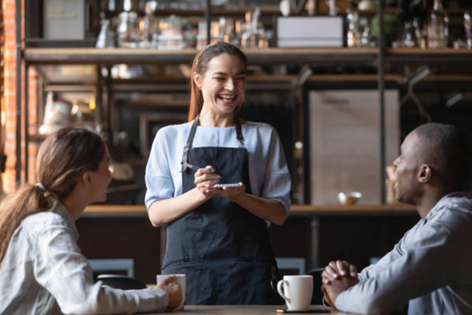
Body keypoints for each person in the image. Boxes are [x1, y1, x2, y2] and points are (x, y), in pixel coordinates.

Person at [145, 42, 291, 305]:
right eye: (221, 78)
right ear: (199, 80)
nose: (232, 88)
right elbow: (156, 215)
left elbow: (279, 213)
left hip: (250, 272)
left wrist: (240, 197)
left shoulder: (263, 135)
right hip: (187, 273)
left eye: (240, 79)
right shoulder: (170, 137)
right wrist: (201, 193)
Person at [0, 127, 182, 315]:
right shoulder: (48, 227)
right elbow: (87, 301)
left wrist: (154, 293)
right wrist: (160, 297)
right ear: (87, 178)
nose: (110, 175)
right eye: (106, 166)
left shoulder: (45, 222)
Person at [321, 123, 472, 315]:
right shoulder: (427, 226)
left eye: (402, 157)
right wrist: (336, 285)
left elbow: (373, 301)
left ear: (423, 173)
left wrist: (339, 296)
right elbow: (371, 280)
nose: (395, 163)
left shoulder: (451, 225)